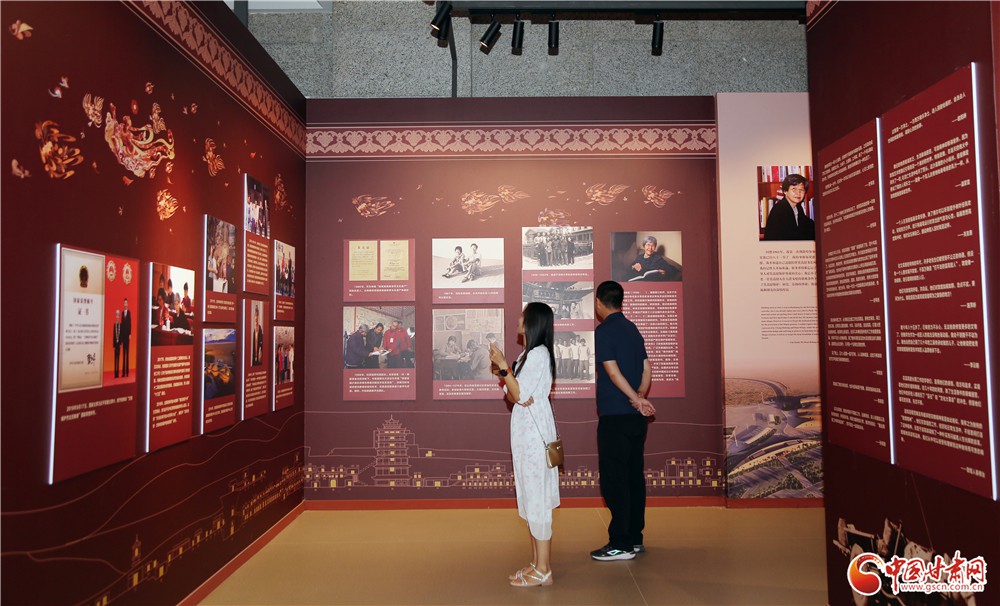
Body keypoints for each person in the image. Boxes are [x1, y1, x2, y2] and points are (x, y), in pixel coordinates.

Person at [488, 302, 560, 588]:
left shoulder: (539, 354)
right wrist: (508, 374)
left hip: (534, 432)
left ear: (533, 322)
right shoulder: (527, 355)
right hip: (525, 429)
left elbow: (518, 394)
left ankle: (544, 569)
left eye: (523, 315)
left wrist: (505, 368)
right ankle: (536, 563)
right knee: (530, 496)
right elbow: (513, 394)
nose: (518, 319)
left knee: (537, 498)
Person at [591, 280, 655, 562]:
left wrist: (635, 399)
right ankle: (635, 537)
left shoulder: (604, 331)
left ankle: (620, 543)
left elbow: (613, 372)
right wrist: (640, 395)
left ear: (599, 303)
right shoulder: (632, 329)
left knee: (615, 479)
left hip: (615, 416)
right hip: (634, 418)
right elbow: (646, 368)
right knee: (633, 477)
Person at [763, 173, 814, 241]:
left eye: (801, 190)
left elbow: (806, 223)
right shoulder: (779, 210)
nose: (798, 193)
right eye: (794, 189)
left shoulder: (797, 207)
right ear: (785, 191)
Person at [120, 298, 132, 377]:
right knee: (123, 353)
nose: (125, 304)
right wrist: (121, 336)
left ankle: (127, 372)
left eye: (126, 303)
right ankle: (123, 372)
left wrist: (130, 334)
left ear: (127, 304)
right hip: (123, 335)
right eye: (124, 303)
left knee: (127, 353)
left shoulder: (129, 312)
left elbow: (130, 323)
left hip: (127, 335)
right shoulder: (122, 313)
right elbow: (121, 325)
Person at [112, 310, 122, 378]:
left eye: (118, 315)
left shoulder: (121, 325)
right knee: (115, 358)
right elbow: (113, 335)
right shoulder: (114, 325)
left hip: (119, 344)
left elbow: (121, 335)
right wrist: (114, 344)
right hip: (115, 344)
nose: (117, 317)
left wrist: (120, 343)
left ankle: (117, 373)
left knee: (118, 358)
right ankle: (115, 373)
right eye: (116, 315)